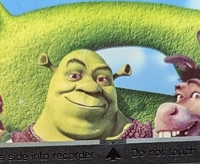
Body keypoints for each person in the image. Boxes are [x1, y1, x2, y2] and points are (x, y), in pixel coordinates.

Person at [11, 50, 152, 142]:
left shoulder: (145, 138)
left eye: (102, 79)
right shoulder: (15, 145)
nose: (92, 87)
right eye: (74, 76)